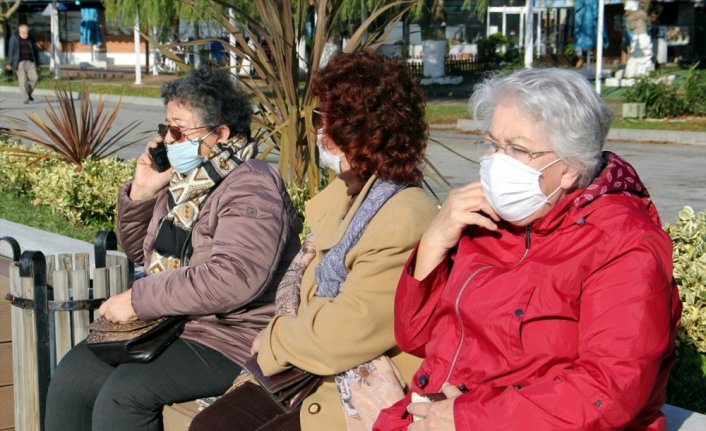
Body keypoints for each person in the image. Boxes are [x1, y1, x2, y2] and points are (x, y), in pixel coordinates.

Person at [374, 68, 681, 430]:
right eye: (491, 144)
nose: (496, 162)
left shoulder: (623, 244)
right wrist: (435, 240)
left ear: (570, 167)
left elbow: (607, 390)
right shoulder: (487, 216)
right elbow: (415, 337)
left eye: (518, 149)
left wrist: (465, 417)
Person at [189, 50, 438, 431]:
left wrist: (273, 341)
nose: (319, 131)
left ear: (359, 131)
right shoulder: (347, 194)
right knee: (209, 426)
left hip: (351, 387)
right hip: (303, 372)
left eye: (325, 120)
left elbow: (340, 337)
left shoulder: (402, 216)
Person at [45, 64, 301, 431]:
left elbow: (234, 277)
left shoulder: (252, 186)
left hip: (233, 336)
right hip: (176, 323)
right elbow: (143, 254)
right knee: (73, 377)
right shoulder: (186, 184)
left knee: (125, 394)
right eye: (165, 129)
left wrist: (137, 300)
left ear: (221, 134)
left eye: (178, 130)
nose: (167, 140)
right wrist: (142, 194)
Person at [7, 24, 40, 104]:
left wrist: (37, 62)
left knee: (35, 78)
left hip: (30, 61)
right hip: (19, 62)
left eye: (27, 32)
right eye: (24, 32)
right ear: (20, 31)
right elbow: (11, 51)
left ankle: (28, 93)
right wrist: (9, 63)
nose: (26, 34)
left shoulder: (31, 38)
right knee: (23, 81)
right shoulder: (14, 38)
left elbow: (35, 50)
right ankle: (25, 98)